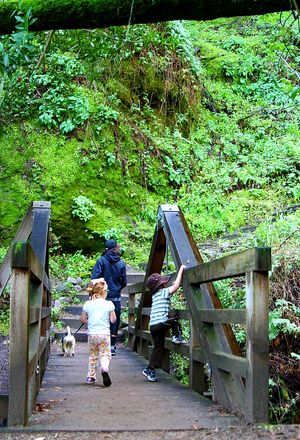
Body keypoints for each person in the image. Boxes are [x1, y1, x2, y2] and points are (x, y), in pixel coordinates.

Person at [142, 264, 186, 382]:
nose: (165, 283)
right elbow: (176, 285)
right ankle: (177, 337)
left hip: (153, 326)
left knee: (158, 347)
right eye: (163, 282)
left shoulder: (154, 295)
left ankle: (150, 369)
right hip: (161, 324)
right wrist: (181, 269)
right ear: (161, 285)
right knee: (174, 319)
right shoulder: (163, 292)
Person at [91, 239, 127, 356]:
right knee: (114, 320)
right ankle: (112, 346)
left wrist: (98, 291)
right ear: (115, 248)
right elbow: (124, 282)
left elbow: (95, 279)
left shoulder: (101, 261)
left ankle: (100, 345)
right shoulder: (121, 263)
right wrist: (116, 289)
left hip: (102, 296)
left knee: (101, 318)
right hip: (115, 296)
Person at [81, 278, 116, 387]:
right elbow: (113, 320)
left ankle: (91, 377)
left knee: (93, 355)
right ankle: (104, 368)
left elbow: (83, 319)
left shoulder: (88, 304)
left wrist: (89, 321)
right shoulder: (109, 304)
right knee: (105, 354)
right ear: (103, 292)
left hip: (92, 334)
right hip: (104, 334)